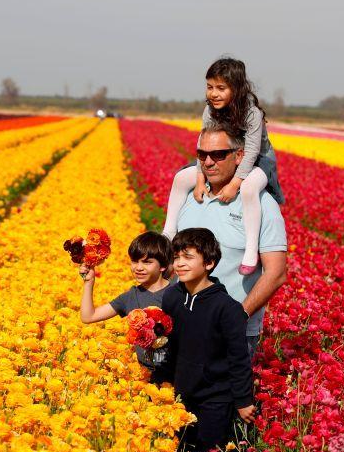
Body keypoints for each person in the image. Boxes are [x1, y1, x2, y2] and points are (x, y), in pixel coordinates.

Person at [165, 125, 287, 359]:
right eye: (202, 155)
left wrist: (237, 317)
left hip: (231, 332)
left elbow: (276, 273)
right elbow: (173, 261)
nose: (208, 162)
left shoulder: (262, 205)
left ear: (239, 156)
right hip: (180, 324)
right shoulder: (192, 197)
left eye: (218, 155)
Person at [157, 228, 254, 452]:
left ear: (209, 263)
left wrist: (243, 400)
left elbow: (239, 358)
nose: (180, 264)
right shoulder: (173, 298)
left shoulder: (228, 309)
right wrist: (162, 380)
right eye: (176, 258)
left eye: (188, 257)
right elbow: (170, 346)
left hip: (215, 397)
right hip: (180, 393)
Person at [164, 57, 284, 275]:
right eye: (210, 87)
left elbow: (252, 151)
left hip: (257, 160)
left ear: (236, 89)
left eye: (221, 88)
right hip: (220, 155)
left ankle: (250, 249)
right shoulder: (210, 110)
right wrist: (200, 179)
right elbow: (203, 143)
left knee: (249, 189)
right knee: (181, 178)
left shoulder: (251, 113)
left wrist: (235, 184)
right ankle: (168, 232)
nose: (213, 93)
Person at [79, 231, 173, 369]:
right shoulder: (130, 297)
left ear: (163, 266)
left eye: (147, 262)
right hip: (142, 376)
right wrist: (89, 282)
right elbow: (88, 316)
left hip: (174, 377)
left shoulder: (178, 295)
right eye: (135, 261)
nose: (139, 268)